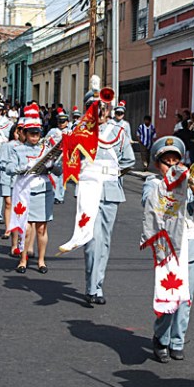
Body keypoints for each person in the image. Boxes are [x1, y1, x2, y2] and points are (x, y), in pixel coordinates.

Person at [58, 88, 135, 306]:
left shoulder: (119, 132)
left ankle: (97, 285)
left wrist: (110, 174)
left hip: (110, 190)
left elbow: (128, 160)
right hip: (89, 189)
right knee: (92, 240)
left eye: (104, 108)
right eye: (95, 108)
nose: (100, 112)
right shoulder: (79, 131)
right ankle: (92, 287)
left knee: (105, 241)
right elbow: (69, 159)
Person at [141, 136, 194, 363]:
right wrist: (171, 183)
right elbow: (149, 203)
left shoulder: (186, 182)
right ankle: (161, 338)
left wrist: (192, 184)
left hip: (190, 244)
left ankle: (177, 341)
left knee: (186, 298)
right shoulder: (152, 183)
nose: (171, 166)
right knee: (169, 295)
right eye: (166, 162)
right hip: (167, 246)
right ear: (157, 164)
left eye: (175, 161)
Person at [0, 111, 61, 273]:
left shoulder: (46, 150)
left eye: (37, 133)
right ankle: (23, 259)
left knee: (41, 228)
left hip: (43, 190)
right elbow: (8, 167)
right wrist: (22, 168)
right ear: (25, 134)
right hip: (24, 190)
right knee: (25, 229)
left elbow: (59, 171)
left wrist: (52, 166)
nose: (35, 137)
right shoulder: (17, 149)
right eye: (31, 133)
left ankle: (41, 261)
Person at [45, 109, 70, 204]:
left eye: (63, 122)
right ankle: (55, 195)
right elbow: (46, 141)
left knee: (63, 178)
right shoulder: (53, 131)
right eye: (59, 122)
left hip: (65, 157)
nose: (61, 124)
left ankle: (61, 197)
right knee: (54, 177)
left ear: (67, 122)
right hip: (54, 156)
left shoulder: (70, 132)